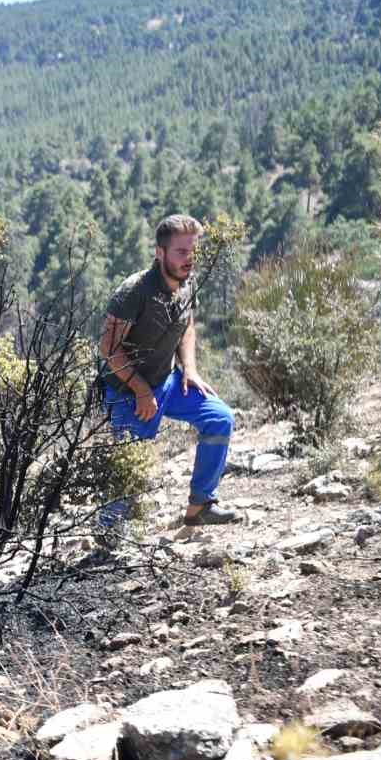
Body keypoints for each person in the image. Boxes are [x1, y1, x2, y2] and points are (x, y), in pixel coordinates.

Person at [98, 213, 240, 527]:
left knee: (220, 419)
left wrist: (189, 368)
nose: (189, 259)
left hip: (168, 382)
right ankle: (108, 540)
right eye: (181, 251)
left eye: (193, 251)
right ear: (160, 252)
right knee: (128, 468)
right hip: (127, 392)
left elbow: (187, 324)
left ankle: (201, 506)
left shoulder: (187, 282)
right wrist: (141, 390)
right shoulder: (134, 291)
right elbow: (108, 349)